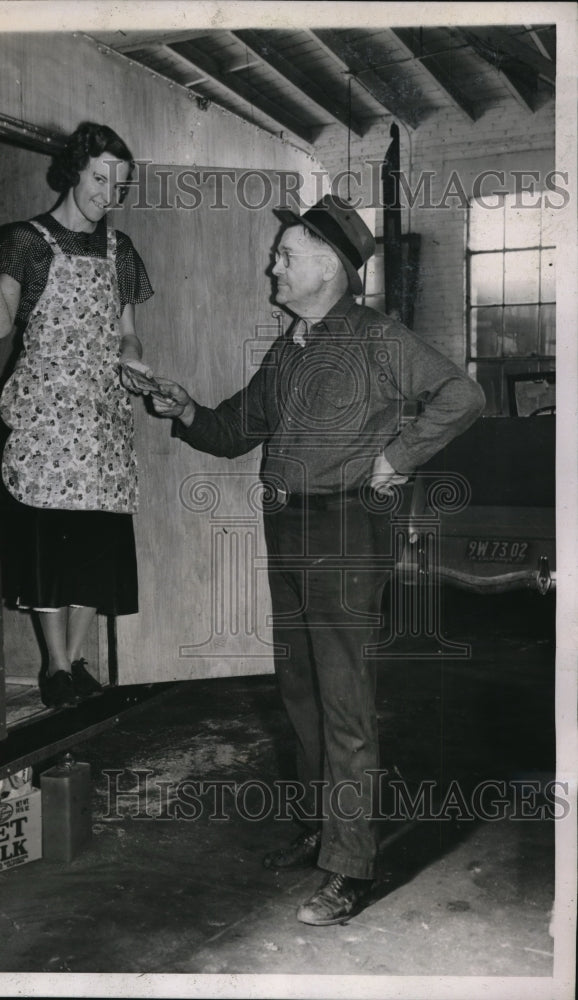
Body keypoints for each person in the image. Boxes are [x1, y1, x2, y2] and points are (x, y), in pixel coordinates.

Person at [151, 195, 486, 926]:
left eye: (286, 254)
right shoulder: (289, 348)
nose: (272, 264)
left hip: (345, 530)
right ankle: (320, 827)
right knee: (299, 691)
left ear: (330, 265)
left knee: (343, 702)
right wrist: (183, 410)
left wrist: (396, 458)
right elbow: (235, 429)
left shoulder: (377, 338)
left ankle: (350, 866)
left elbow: (462, 395)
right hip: (289, 526)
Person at [0, 121, 155, 709]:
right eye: (99, 177)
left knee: (94, 547)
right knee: (49, 548)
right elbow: (0, 326)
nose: (107, 193)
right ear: (75, 170)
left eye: (119, 184)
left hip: (103, 417)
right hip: (46, 418)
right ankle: (55, 667)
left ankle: (78, 659)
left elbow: (128, 335)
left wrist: (131, 361)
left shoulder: (122, 251)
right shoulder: (24, 240)